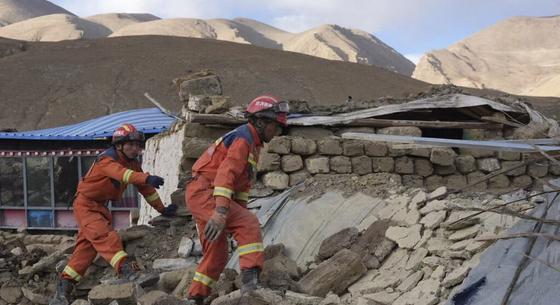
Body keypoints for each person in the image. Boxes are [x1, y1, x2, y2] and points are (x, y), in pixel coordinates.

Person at [49, 123, 178, 305]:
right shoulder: (107, 160)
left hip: (100, 207)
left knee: (84, 251)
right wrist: (145, 176)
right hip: (86, 205)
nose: (136, 148)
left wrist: (162, 209)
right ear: (119, 146)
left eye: (137, 144)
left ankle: (62, 291)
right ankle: (129, 271)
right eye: (131, 144)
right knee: (106, 237)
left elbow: (146, 189)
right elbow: (122, 174)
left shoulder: (132, 163)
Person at [186, 95, 289, 304]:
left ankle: (195, 297)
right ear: (261, 121)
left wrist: (235, 213)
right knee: (249, 223)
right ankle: (251, 285)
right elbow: (226, 174)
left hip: (205, 193)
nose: (277, 132)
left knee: (218, 254)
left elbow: (241, 185)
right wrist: (222, 212)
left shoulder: (253, 143)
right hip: (206, 193)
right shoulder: (244, 139)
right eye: (275, 126)